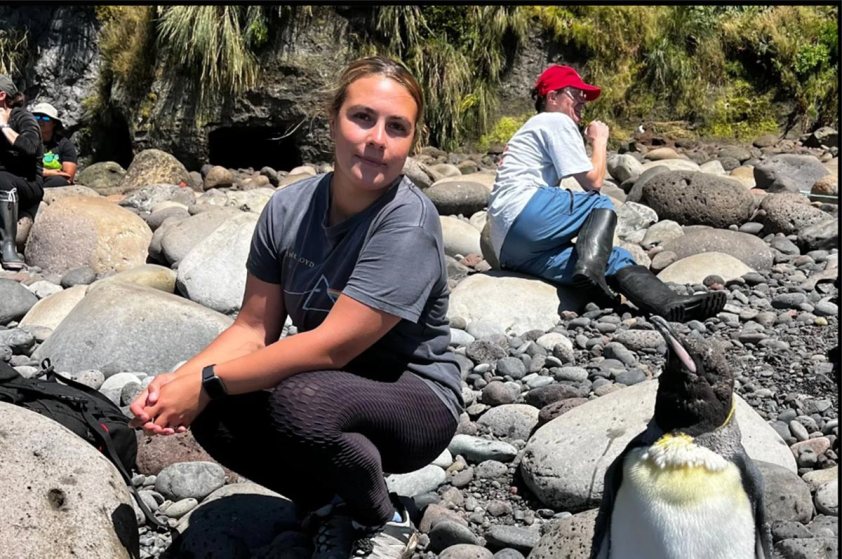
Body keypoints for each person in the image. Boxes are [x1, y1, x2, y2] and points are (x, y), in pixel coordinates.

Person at [129, 56, 462, 559]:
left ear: (412, 141)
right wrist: (179, 384)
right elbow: (252, 327)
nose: (377, 138)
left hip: (415, 399)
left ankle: (385, 520)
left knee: (296, 400)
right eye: (363, 118)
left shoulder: (407, 225)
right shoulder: (288, 209)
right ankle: (333, 502)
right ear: (332, 121)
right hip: (327, 384)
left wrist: (206, 380)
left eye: (397, 127)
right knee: (214, 401)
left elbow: (330, 348)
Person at [486, 64, 725, 322]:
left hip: (508, 248)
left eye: (583, 96)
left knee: (613, 258)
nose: (582, 101)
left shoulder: (531, 128)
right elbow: (594, 181)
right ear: (552, 98)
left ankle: (668, 304)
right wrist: (599, 141)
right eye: (574, 94)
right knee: (599, 202)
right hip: (526, 213)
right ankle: (591, 270)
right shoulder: (555, 120)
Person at [0, 75, 43, 270]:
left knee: (2, 179)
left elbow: (30, 147)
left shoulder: (23, 117)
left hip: (28, 184)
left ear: (1, 95)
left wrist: (3, 127)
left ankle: (8, 246)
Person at [31, 102, 78, 188]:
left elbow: (68, 176)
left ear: (54, 123)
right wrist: (47, 172)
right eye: (37, 117)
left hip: (52, 182)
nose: (40, 120)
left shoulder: (64, 144)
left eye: (45, 118)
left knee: (59, 181)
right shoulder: (25, 140)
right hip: (30, 180)